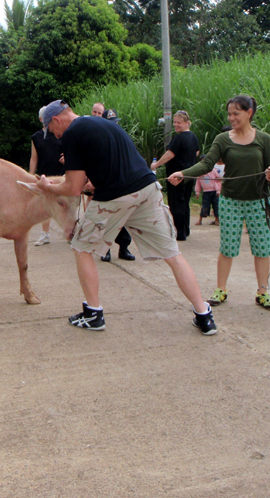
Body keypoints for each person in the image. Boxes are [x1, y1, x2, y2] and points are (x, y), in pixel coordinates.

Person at [36, 100, 217, 335]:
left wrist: (47, 187)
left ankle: (93, 314)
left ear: (57, 120)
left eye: (52, 130)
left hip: (115, 197)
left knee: (81, 248)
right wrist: (92, 184)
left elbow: (72, 187)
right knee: (172, 254)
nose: (55, 136)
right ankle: (204, 315)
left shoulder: (72, 134)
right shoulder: (104, 123)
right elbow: (110, 169)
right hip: (147, 189)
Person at [169, 95, 270, 311]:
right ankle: (221, 289)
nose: (231, 117)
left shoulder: (264, 138)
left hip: (258, 200)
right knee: (227, 247)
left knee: (262, 247)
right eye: (229, 114)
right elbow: (207, 163)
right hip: (230, 201)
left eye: (236, 113)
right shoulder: (223, 139)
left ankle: (263, 292)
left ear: (249, 113)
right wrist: (184, 173)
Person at [151, 111, 200, 241]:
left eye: (179, 122)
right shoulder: (193, 137)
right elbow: (197, 152)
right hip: (189, 175)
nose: (176, 125)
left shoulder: (179, 138)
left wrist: (156, 165)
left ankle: (180, 233)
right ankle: (185, 229)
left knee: (176, 204)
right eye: (174, 122)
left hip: (176, 176)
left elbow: (170, 154)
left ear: (186, 123)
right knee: (184, 203)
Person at [99, 108, 135, 262]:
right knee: (106, 219)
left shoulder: (123, 138)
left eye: (115, 123)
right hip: (106, 185)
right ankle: (104, 249)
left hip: (123, 185)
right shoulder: (99, 140)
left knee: (124, 220)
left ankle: (123, 248)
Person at [30, 106, 65, 246]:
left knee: (66, 203)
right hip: (45, 173)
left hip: (62, 173)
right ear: (40, 119)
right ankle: (45, 234)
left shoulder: (60, 132)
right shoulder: (36, 137)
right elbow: (34, 158)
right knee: (46, 204)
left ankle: (72, 232)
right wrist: (30, 175)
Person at [195, 157, 221, 226]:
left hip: (214, 191)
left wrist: (218, 190)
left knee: (216, 205)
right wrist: (197, 192)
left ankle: (217, 220)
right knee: (204, 206)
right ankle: (200, 220)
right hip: (206, 192)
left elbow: (217, 180)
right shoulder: (200, 172)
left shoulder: (213, 170)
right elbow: (198, 183)